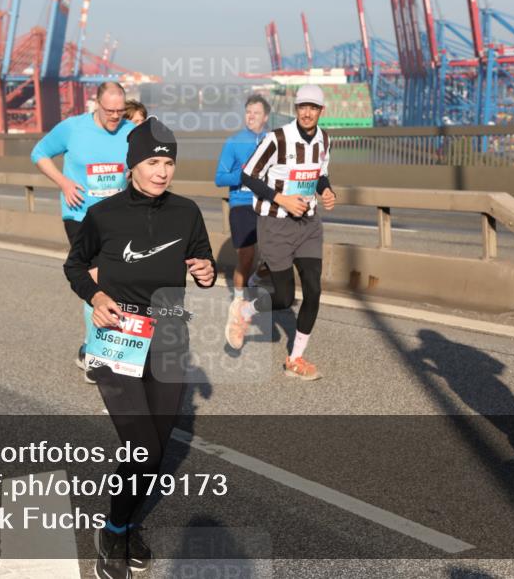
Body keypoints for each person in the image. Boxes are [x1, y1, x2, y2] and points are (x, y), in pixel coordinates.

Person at [64, 117, 215, 579]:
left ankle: (126, 521)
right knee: (142, 447)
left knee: (156, 449)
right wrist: (97, 297)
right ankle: (113, 531)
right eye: (153, 161)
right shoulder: (104, 215)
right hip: (117, 336)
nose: (162, 171)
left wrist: (205, 274)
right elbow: (74, 266)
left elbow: (203, 262)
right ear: (133, 165)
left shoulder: (187, 212)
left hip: (169, 331)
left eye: (168, 162)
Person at [228, 85, 335, 380]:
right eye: (303, 106)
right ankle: (246, 311)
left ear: (321, 112)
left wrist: (326, 191)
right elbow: (248, 175)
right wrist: (282, 199)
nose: (308, 112)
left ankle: (296, 358)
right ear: (296, 108)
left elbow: (320, 173)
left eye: (313, 107)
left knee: (313, 290)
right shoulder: (277, 139)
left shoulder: (325, 139)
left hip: (309, 224)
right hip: (275, 224)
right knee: (285, 298)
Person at [32, 82, 136, 383]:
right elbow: (39, 153)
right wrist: (63, 183)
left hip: (118, 217)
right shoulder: (72, 128)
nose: (115, 117)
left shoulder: (131, 131)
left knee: (116, 283)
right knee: (96, 282)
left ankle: (93, 346)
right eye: (109, 111)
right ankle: (95, 357)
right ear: (96, 104)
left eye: (120, 111)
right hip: (80, 215)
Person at [215, 94, 271, 348]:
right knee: (246, 255)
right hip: (241, 205)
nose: (251, 117)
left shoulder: (274, 141)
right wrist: (245, 174)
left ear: (266, 117)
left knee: (275, 253)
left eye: (256, 113)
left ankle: (254, 278)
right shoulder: (234, 142)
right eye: (248, 112)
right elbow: (220, 177)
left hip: (269, 205)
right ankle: (238, 301)